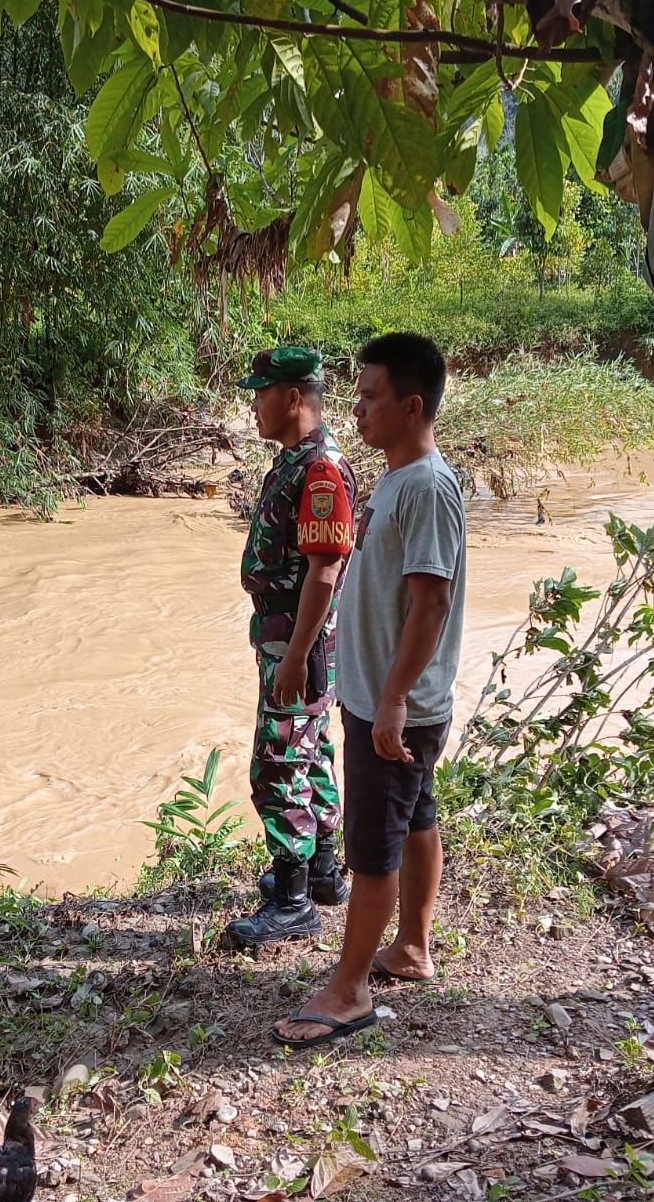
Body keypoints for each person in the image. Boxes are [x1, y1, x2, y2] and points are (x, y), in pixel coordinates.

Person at [272, 332, 465, 1047]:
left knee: (373, 847)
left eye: (371, 396)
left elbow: (431, 603)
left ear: (412, 406)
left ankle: (348, 990)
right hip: (388, 699)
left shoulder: (427, 487)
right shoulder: (397, 476)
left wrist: (392, 698)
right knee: (416, 818)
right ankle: (411, 947)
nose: (356, 409)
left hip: (396, 706)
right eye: (356, 394)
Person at [225, 346, 358, 947]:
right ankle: (323, 872)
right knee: (311, 750)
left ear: (292, 399)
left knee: (277, 765)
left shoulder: (321, 470)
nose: (253, 407)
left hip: (299, 640)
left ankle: (294, 900)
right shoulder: (297, 461)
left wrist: (298, 655)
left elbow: (324, 573)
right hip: (294, 637)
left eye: (260, 395)